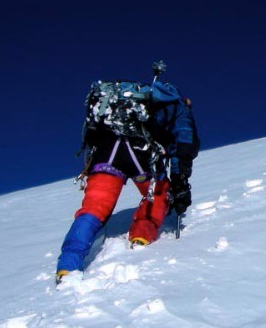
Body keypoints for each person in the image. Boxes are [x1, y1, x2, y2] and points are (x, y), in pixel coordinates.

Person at [56, 66, 199, 284]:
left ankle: (67, 266)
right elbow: (184, 144)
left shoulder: (116, 103)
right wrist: (180, 184)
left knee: (94, 208)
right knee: (159, 195)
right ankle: (141, 235)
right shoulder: (176, 104)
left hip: (106, 154)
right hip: (141, 154)